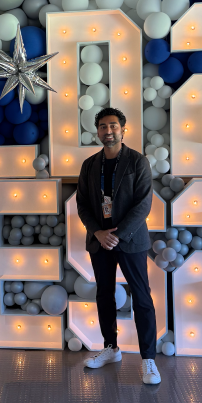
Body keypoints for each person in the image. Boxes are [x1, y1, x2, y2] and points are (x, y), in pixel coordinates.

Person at [75, 107, 160, 385]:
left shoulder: (138, 162)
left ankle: (148, 359)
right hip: (100, 241)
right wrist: (98, 232)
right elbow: (83, 204)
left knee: (142, 298)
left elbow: (143, 205)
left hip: (131, 240)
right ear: (97, 131)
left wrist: (118, 234)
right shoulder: (89, 165)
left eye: (113, 126)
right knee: (104, 295)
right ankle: (110, 348)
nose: (107, 131)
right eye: (102, 126)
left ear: (123, 129)